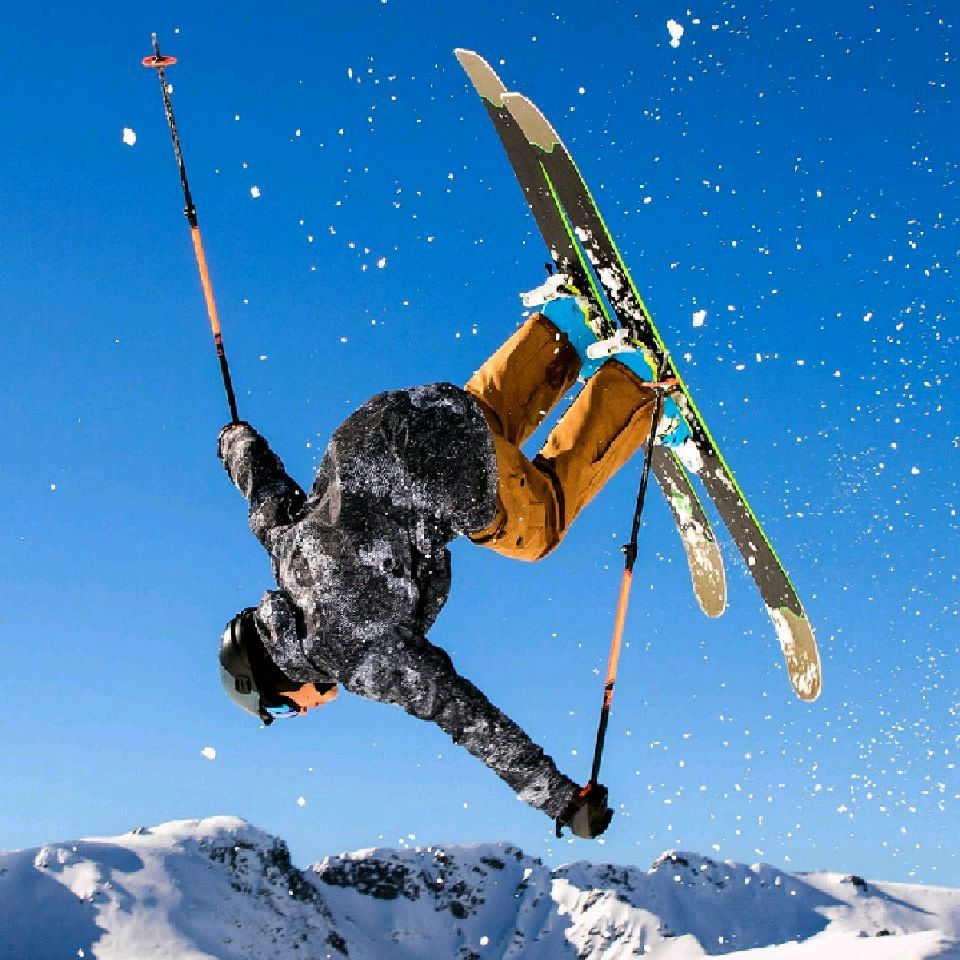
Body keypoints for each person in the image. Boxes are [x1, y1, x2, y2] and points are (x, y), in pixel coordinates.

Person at [217, 286, 688, 839]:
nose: (302, 712)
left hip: (438, 474)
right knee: (473, 425)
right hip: (394, 419)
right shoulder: (287, 557)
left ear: (278, 677)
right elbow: (262, 490)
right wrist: (232, 441)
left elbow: (462, 714)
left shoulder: (349, 651)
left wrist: (561, 801)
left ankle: (633, 387)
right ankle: (559, 331)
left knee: (537, 527)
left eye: (285, 708)